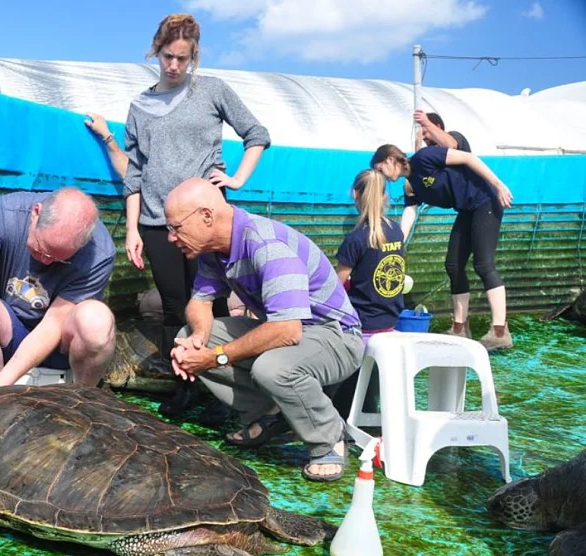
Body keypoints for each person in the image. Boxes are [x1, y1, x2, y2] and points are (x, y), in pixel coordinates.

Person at [94, 13, 272, 417]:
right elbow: (135, 170)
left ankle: (228, 387)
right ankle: (185, 386)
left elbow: (256, 134)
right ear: (155, 52)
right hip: (158, 223)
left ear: (194, 57)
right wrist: (133, 228)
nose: (174, 66)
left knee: (217, 303)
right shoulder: (140, 104)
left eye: (182, 58)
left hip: (207, 219)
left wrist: (238, 179)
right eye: (167, 57)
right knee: (175, 307)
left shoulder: (212, 90)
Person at [165, 178, 364, 482]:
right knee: (182, 339)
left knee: (271, 369)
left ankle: (328, 436)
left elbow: (287, 331)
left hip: (335, 335)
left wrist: (214, 357)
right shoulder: (213, 251)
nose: (170, 238)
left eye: (175, 227)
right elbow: (199, 303)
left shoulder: (266, 245)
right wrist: (198, 340)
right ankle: (273, 414)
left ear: (206, 216)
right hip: (288, 329)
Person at [0, 187, 117, 421]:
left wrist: (1, 383)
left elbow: (53, 324)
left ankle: (79, 402)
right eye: (41, 249)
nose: (46, 261)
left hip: (61, 346)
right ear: (36, 213)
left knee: (96, 321)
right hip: (12, 333)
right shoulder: (4, 213)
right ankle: (1, 405)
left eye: (59, 259)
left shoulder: (100, 252)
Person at [371, 144, 515, 351]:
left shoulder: (425, 157)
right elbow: (410, 214)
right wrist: (397, 244)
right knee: (453, 265)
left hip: (485, 203)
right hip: (466, 210)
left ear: (390, 160)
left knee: (483, 265)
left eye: (380, 169)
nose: (381, 175)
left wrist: (498, 185)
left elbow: (468, 158)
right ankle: (459, 328)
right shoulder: (410, 185)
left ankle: (500, 332)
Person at [330, 169, 406, 417]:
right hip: (390, 323)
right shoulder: (396, 232)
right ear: (384, 197)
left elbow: (335, 287)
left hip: (361, 327)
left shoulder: (355, 238)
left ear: (355, 194)